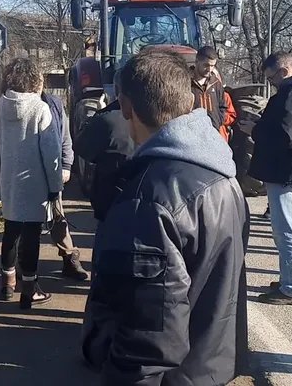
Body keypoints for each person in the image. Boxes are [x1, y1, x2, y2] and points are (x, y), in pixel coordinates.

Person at [81, 49, 247, 384]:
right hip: (210, 367)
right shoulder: (224, 176)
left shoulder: (148, 198)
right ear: (189, 100)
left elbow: (147, 337)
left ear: (126, 105)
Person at [246, 52, 292, 305]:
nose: (271, 84)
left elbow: (287, 136)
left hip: (286, 171)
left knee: (286, 230)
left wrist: (255, 130)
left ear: (284, 71)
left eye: (271, 78)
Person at [0, 59, 62, 309]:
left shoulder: (0, 106)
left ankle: (6, 283)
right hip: (35, 182)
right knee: (31, 235)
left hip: (9, 179)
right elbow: (51, 153)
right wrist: (55, 187)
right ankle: (29, 290)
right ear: (33, 79)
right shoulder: (40, 109)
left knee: (10, 231)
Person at [39, 86, 88, 281]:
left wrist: (66, 164)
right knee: (25, 223)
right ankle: (20, 266)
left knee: (58, 218)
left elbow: (64, 136)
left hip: (52, 170)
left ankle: (69, 259)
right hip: (25, 175)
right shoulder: (12, 104)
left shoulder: (54, 104)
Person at [74, 69, 135, 222]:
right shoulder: (152, 116)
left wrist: (98, 114)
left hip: (110, 200)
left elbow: (82, 148)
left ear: (115, 89)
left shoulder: (106, 119)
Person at [190, 46, 230, 135]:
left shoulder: (216, 83)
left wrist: (219, 121)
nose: (209, 69)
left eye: (212, 66)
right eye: (206, 65)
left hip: (214, 133)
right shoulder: (186, 82)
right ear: (197, 62)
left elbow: (223, 106)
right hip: (193, 134)